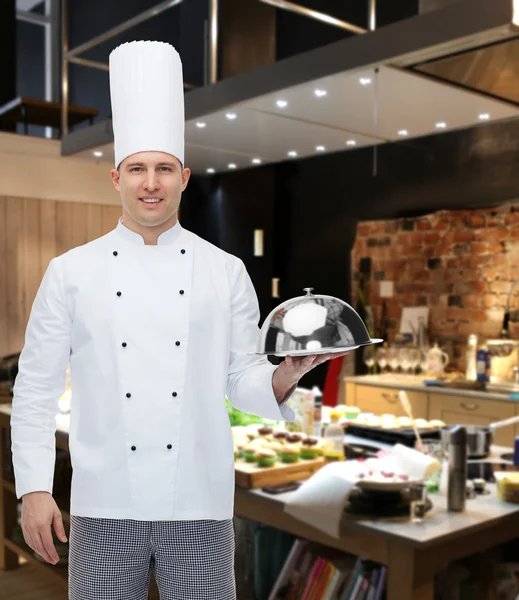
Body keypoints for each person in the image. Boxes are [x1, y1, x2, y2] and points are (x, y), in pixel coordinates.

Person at [10, 41, 347, 599]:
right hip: (103, 504)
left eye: (164, 169)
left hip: (200, 502)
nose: (151, 183)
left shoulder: (225, 271)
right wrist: (34, 490)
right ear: (115, 177)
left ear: (185, 177)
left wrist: (284, 376)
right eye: (137, 169)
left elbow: (240, 381)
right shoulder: (70, 272)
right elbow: (36, 391)